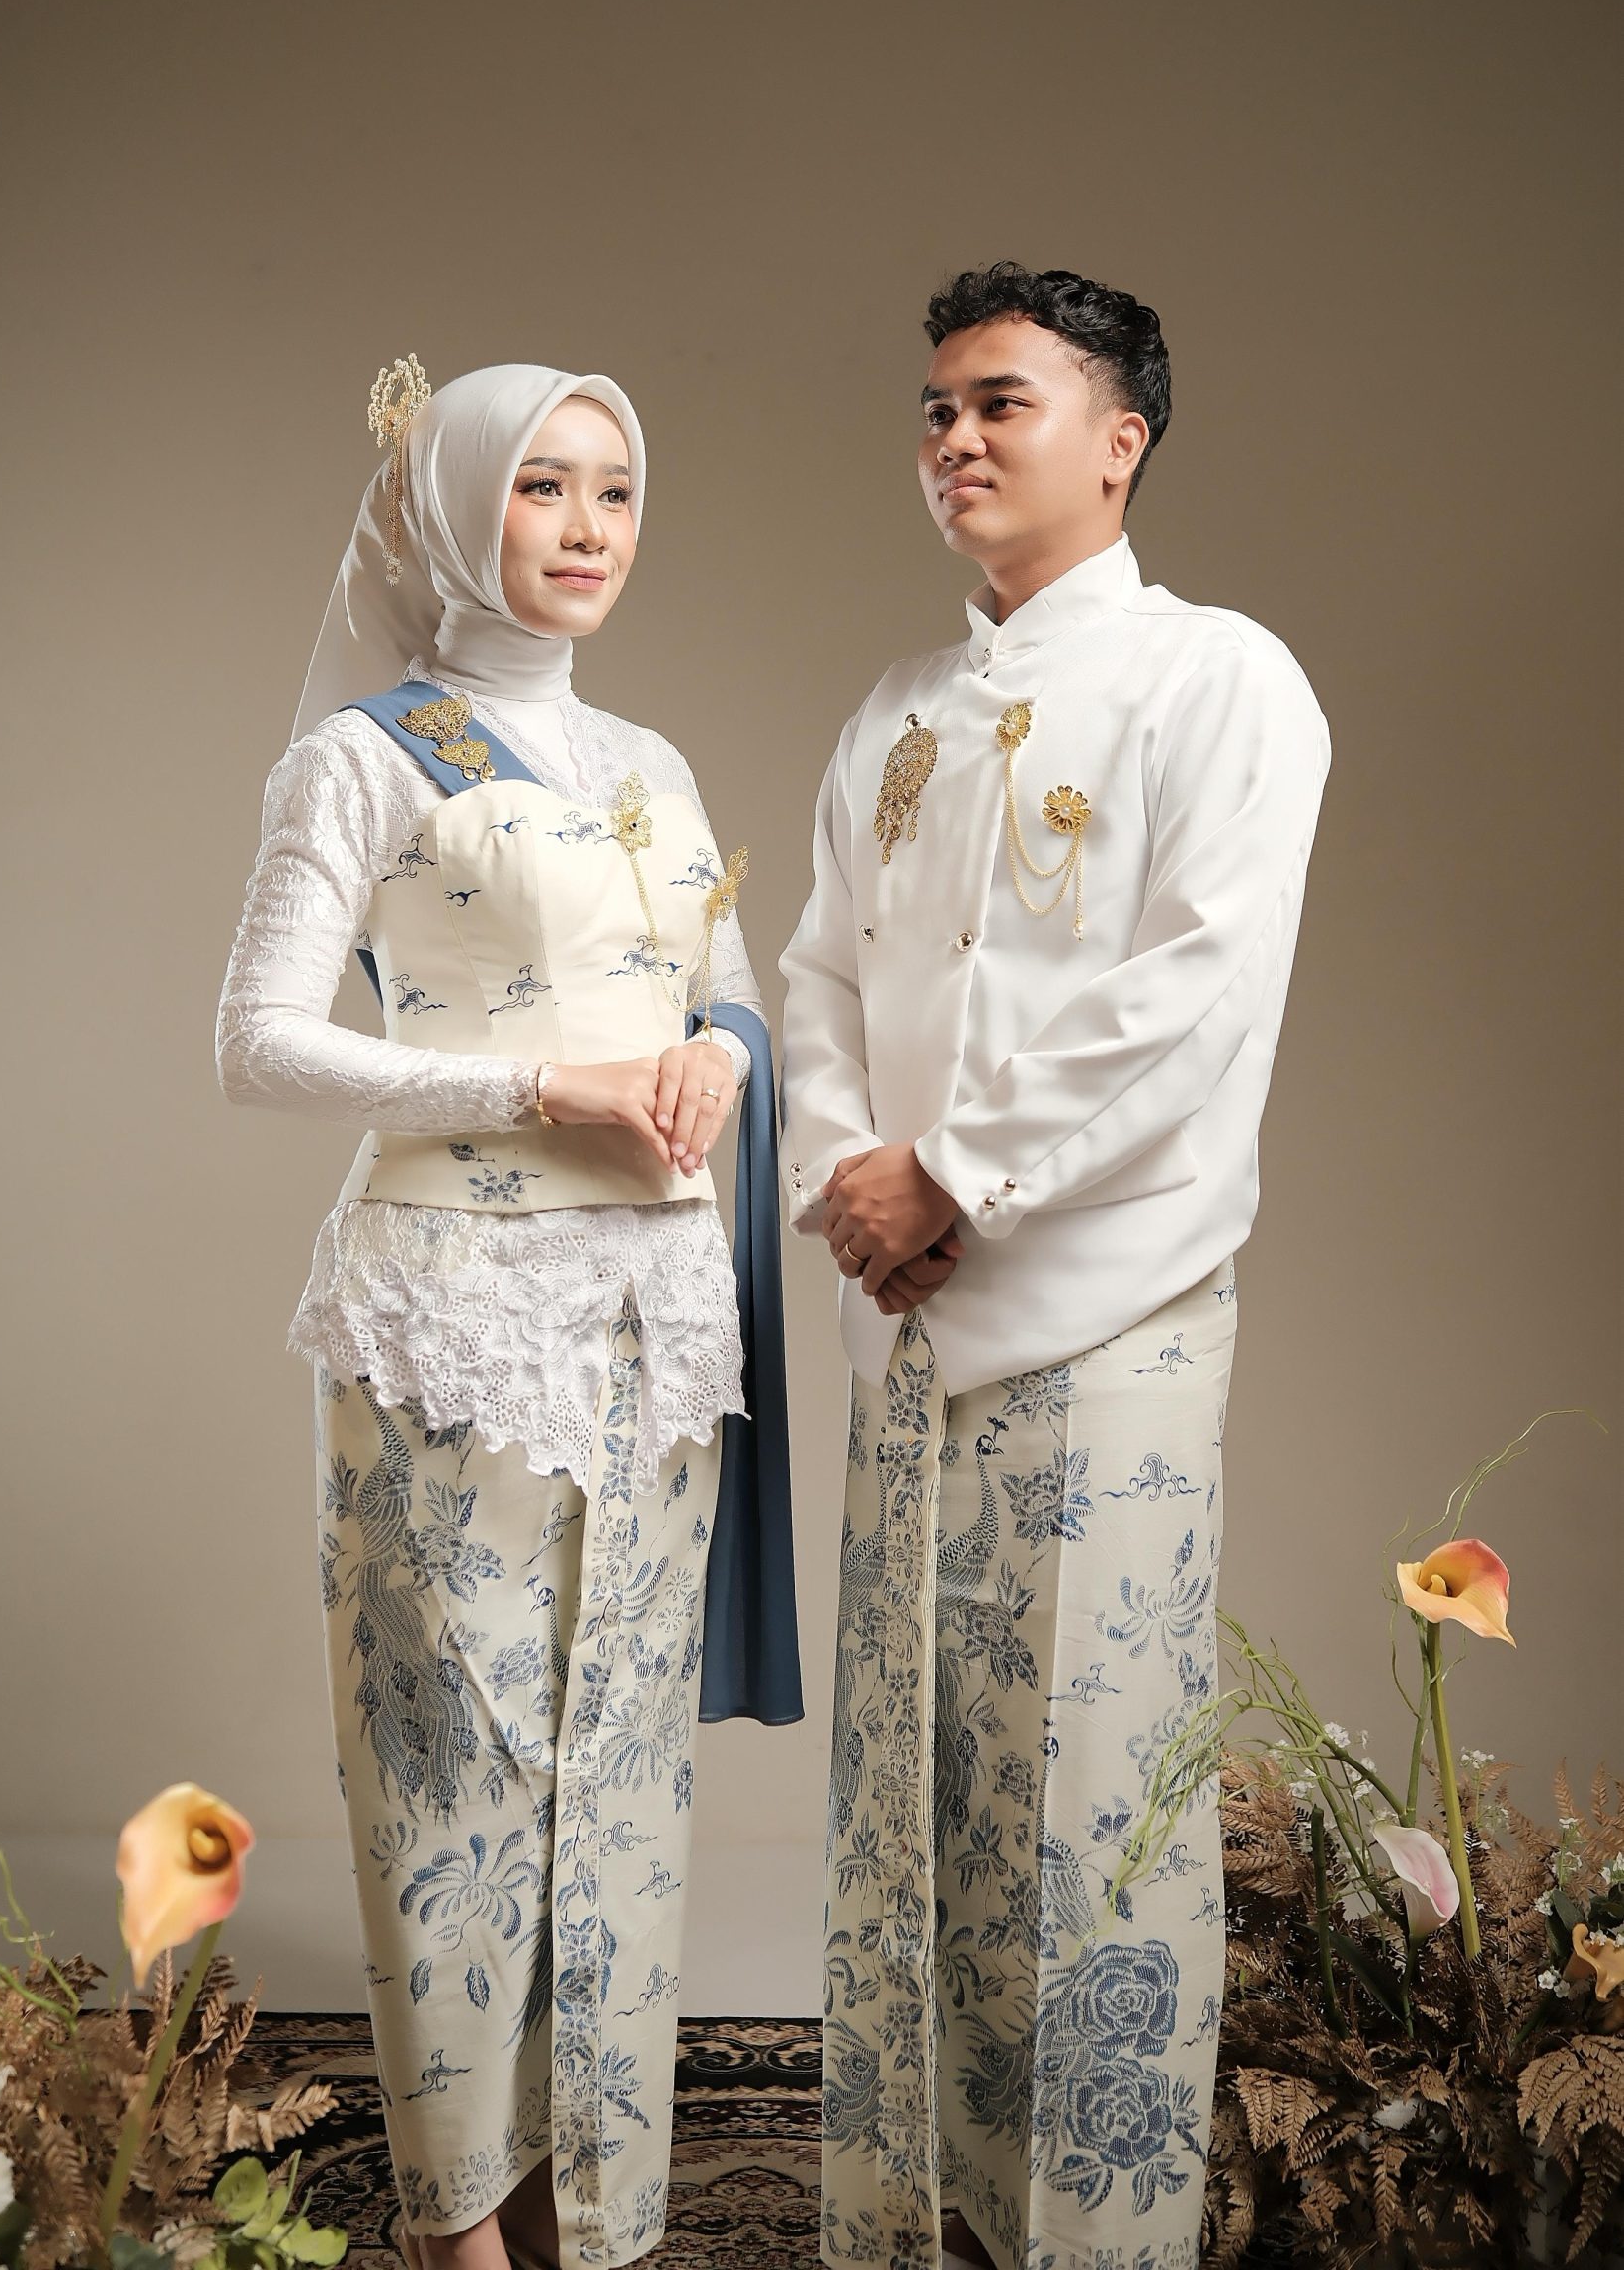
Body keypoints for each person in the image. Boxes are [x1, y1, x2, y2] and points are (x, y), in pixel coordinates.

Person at [217, 360, 800, 2270]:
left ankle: (595, 2211)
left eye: (615, 490)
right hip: (455, 1323)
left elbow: (715, 984)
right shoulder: (367, 756)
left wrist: (720, 1053)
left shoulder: (650, 761)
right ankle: (456, 2222)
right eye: (542, 486)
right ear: (456, 508)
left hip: (658, 1319)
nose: (586, 528)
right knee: (454, 1769)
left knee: (621, 1772)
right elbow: (258, 1042)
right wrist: (533, 1087)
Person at [780, 264, 1330, 2270]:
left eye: (999, 402)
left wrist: (953, 1174)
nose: (953, 440)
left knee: (1085, 1826)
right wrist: (852, 1177)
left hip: (1104, 1324)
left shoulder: (1218, 681)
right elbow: (819, 974)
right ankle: (921, 2224)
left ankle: (1090, 2240)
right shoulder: (893, 712)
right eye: (934, 410)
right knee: (914, 1813)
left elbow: (1194, 993)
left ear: (1120, 438)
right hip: (906, 1329)